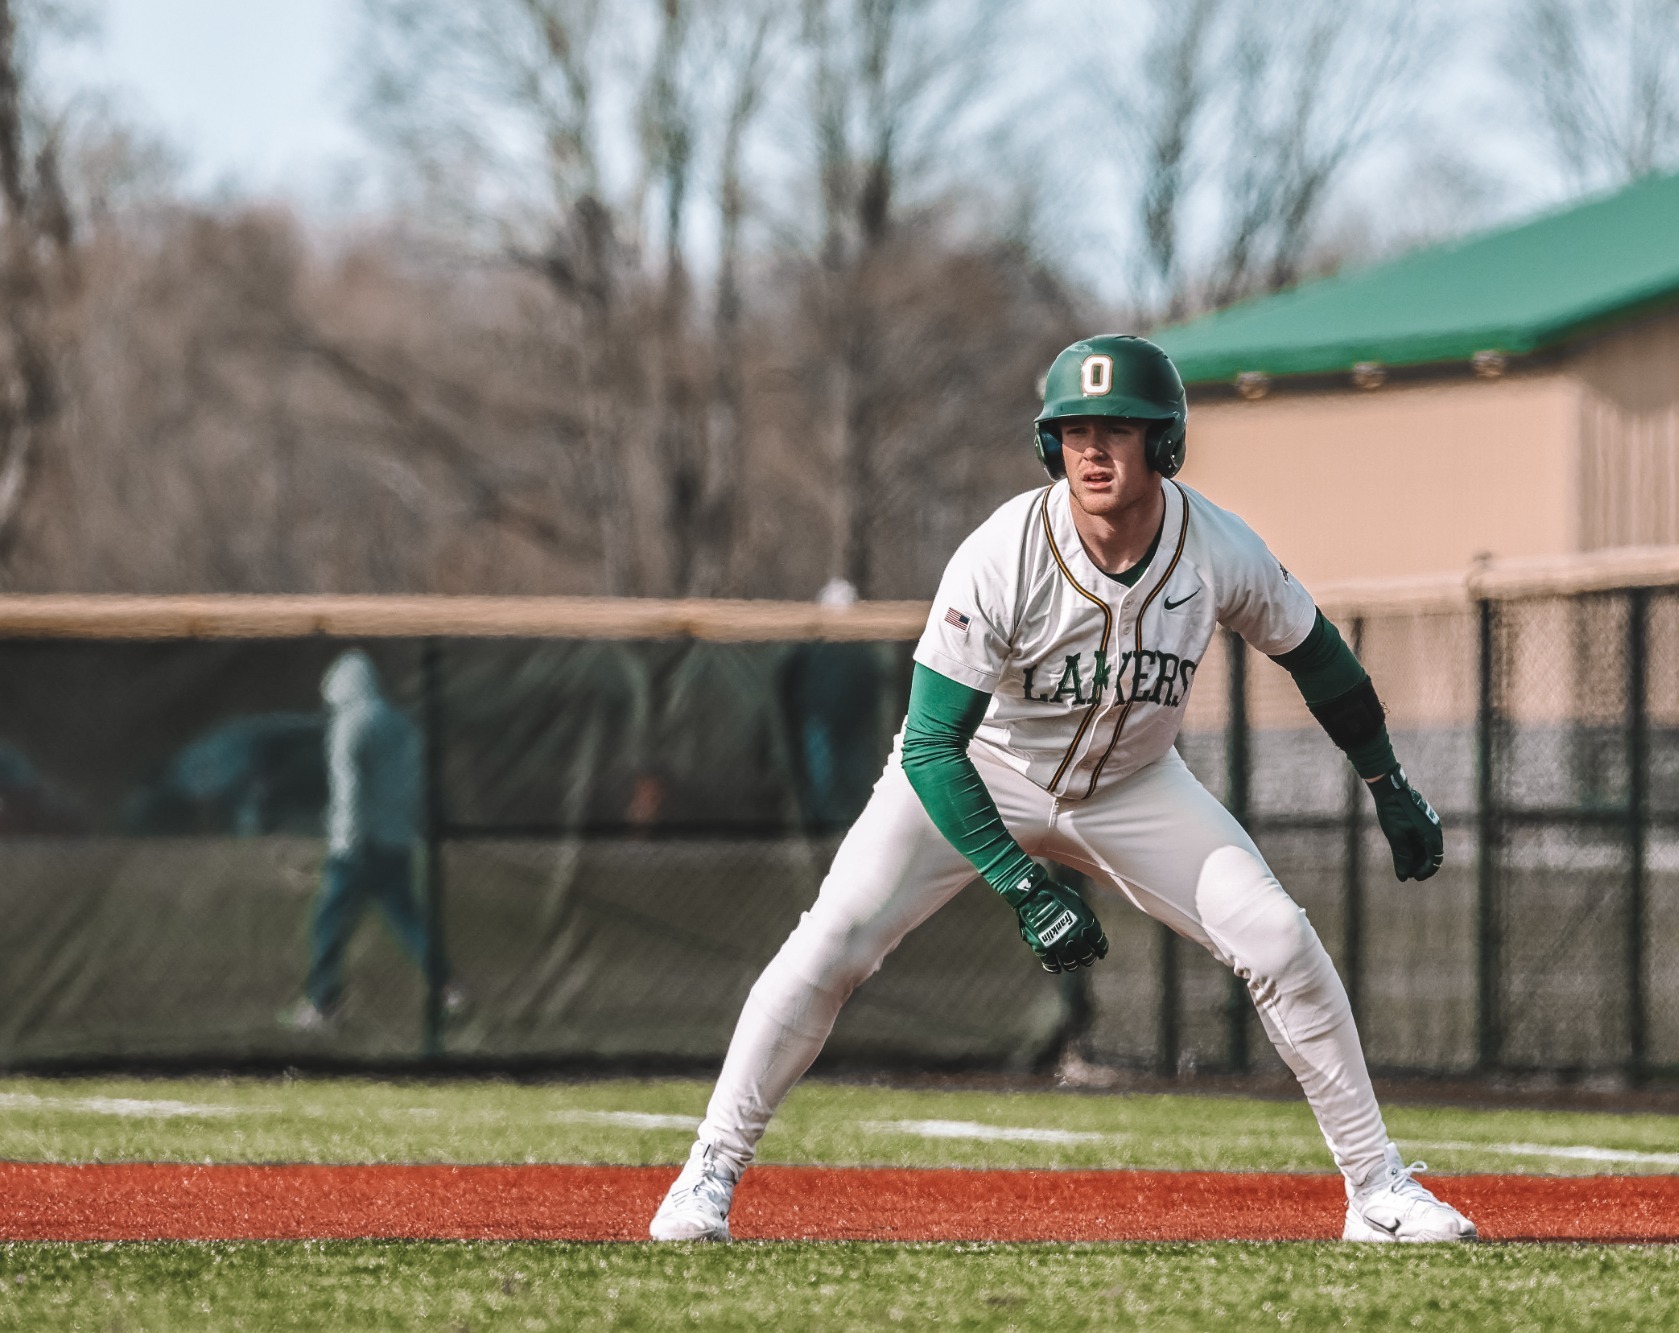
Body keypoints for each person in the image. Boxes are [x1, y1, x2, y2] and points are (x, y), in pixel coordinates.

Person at [650, 335, 1474, 1244]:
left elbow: (1320, 660)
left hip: (1133, 785)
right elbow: (930, 746)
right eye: (1073, 429)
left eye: (1117, 429)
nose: (1092, 449)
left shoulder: (1216, 547)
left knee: (1280, 939)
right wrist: (1022, 885)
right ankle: (706, 1175)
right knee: (833, 940)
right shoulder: (1001, 554)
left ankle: (1377, 1190)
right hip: (981, 773)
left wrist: (1387, 780)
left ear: (1164, 444)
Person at [281, 649, 461, 1031]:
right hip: (396, 843)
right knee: (409, 920)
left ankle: (324, 1006)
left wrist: (344, 840)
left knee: (329, 924)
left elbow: (349, 789)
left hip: (358, 847)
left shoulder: (349, 725)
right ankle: (449, 988)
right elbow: (412, 786)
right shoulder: (400, 724)